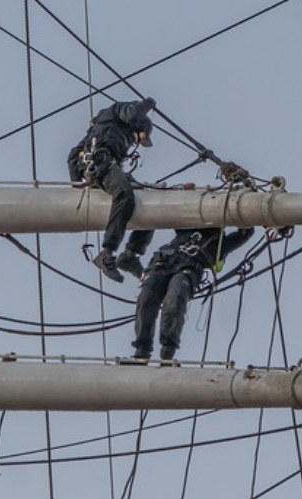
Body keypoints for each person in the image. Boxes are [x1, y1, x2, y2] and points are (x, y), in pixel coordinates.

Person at [127, 226, 256, 365]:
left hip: (189, 268)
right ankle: (142, 350)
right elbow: (175, 214)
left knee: (175, 299)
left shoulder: (222, 244)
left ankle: (167, 351)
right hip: (162, 263)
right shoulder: (186, 228)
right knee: (146, 300)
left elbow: (246, 233)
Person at [67, 98, 157, 282]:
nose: (134, 143)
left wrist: (77, 181)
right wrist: (147, 104)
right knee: (124, 194)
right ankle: (107, 252)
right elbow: (133, 114)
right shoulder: (118, 111)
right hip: (101, 162)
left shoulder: (100, 128)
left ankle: (131, 253)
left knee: (150, 198)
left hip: (105, 164)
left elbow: (72, 156)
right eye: (136, 138)